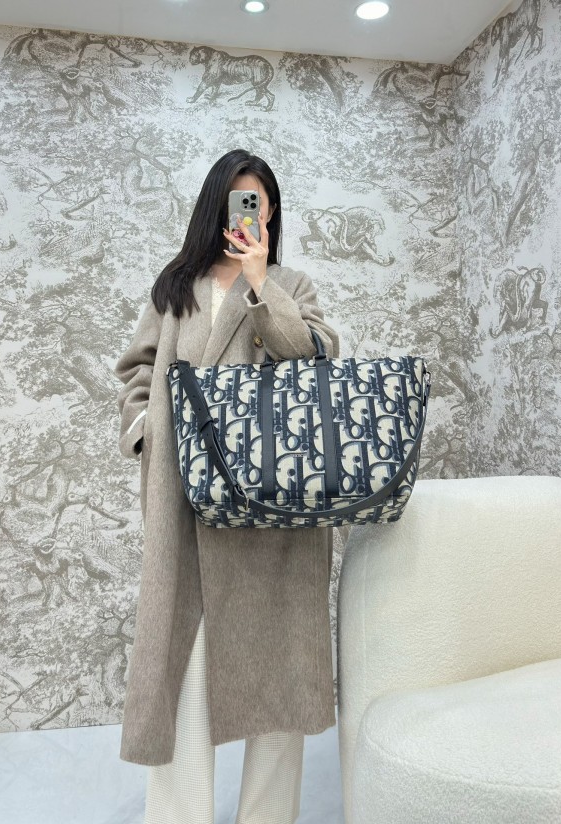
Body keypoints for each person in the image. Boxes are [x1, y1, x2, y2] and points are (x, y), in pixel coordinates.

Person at [114, 149, 340, 824]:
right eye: (238, 200)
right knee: (181, 668)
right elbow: (137, 369)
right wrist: (146, 433)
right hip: (185, 502)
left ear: (271, 213)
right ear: (216, 205)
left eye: (259, 203)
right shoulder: (176, 286)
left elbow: (317, 354)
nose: (248, 212)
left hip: (271, 504)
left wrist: (259, 281)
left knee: (280, 669)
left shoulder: (290, 284)